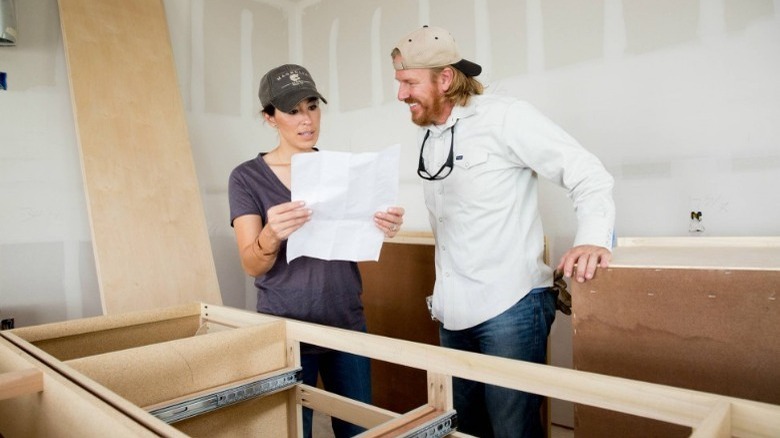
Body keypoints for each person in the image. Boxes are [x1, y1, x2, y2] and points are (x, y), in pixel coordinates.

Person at [390, 26, 615, 437]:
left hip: (510, 308)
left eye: (408, 83)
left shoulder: (505, 117)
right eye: (399, 83)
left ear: (444, 78)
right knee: (464, 428)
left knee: (513, 431)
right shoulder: (433, 137)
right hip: (453, 313)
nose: (401, 94)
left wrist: (593, 237)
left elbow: (587, 173)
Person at [228, 63, 405, 438]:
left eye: (312, 106)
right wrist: (271, 235)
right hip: (286, 330)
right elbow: (250, 264)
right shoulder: (246, 177)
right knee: (294, 432)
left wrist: (383, 226)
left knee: (359, 429)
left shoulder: (342, 170)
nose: (306, 120)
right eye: (292, 111)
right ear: (269, 118)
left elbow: (355, 236)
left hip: (346, 324)